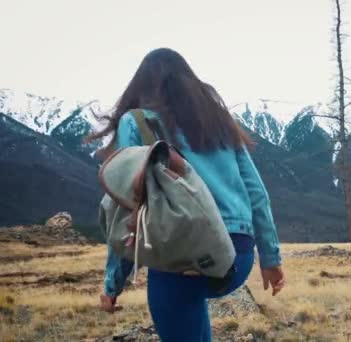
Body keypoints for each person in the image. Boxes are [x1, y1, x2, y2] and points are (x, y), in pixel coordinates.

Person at [87, 47, 285, 342]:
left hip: (183, 254)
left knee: (178, 300)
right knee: (191, 307)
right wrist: (270, 258)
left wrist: (112, 284)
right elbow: (257, 193)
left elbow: (127, 209)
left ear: (141, 85)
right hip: (237, 256)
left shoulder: (137, 122)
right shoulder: (219, 121)